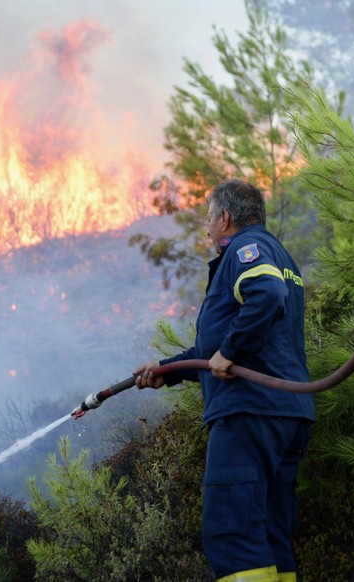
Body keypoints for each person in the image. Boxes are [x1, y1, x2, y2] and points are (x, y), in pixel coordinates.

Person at [134, 178, 315, 582]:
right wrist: (166, 372)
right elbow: (214, 353)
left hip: (249, 414)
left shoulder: (246, 250)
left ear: (225, 218)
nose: (206, 226)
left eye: (209, 217)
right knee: (269, 534)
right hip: (283, 414)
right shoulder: (279, 255)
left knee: (232, 533)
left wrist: (230, 351)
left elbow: (265, 297)